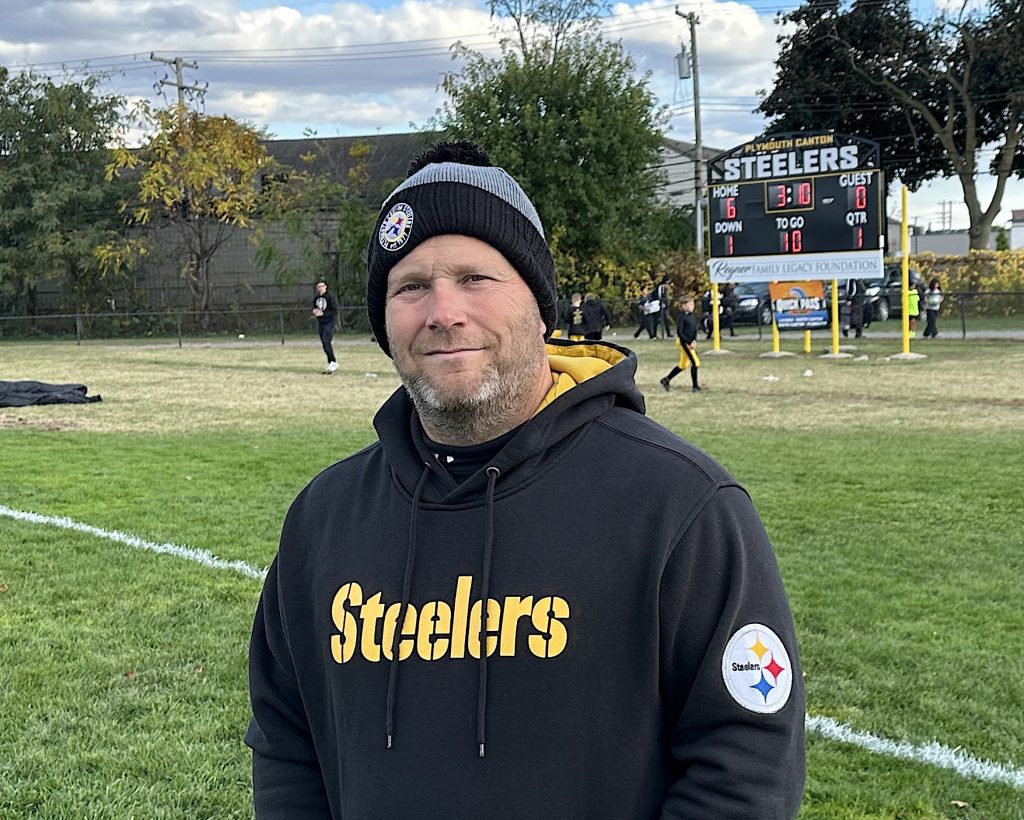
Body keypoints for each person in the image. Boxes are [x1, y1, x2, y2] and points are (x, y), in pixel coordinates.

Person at [246, 140, 805, 819]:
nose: (443, 312)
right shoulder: (323, 519)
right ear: (386, 322)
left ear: (539, 307)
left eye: (476, 278)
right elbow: (285, 738)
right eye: (411, 286)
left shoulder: (679, 506)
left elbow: (744, 768)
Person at [660, 295, 702, 393]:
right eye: (690, 304)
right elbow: (680, 333)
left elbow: (694, 330)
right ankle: (695, 386)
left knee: (683, 365)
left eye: (693, 304)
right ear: (683, 305)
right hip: (683, 343)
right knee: (695, 363)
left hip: (691, 342)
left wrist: (694, 340)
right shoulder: (682, 317)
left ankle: (665, 380)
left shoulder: (692, 316)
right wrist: (688, 342)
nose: (692, 306)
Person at [312, 278, 339, 373]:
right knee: (324, 343)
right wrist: (315, 311)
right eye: (319, 286)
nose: (320, 288)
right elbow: (315, 308)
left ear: (326, 287)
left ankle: (333, 361)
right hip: (321, 323)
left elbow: (335, 311)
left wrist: (323, 314)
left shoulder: (330, 297)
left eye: (322, 286)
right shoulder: (316, 297)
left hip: (330, 322)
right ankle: (331, 363)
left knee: (326, 340)